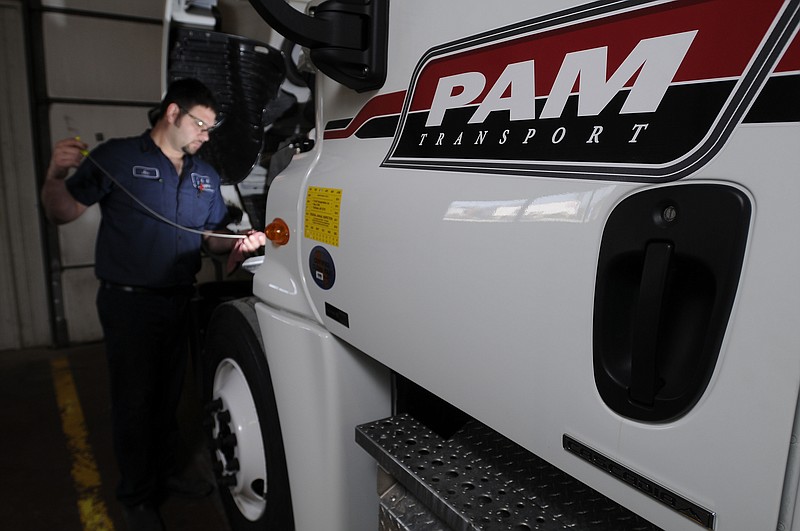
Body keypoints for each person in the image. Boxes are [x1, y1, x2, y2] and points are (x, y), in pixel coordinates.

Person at [41, 78, 266, 531]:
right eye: (200, 124)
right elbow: (62, 211)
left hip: (179, 301)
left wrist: (240, 242)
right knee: (134, 401)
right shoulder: (117, 158)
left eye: (210, 127)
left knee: (168, 398)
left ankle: (165, 474)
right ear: (172, 113)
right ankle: (137, 497)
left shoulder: (204, 176)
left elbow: (211, 241)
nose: (205, 135)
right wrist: (54, 174)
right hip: (129, 305)